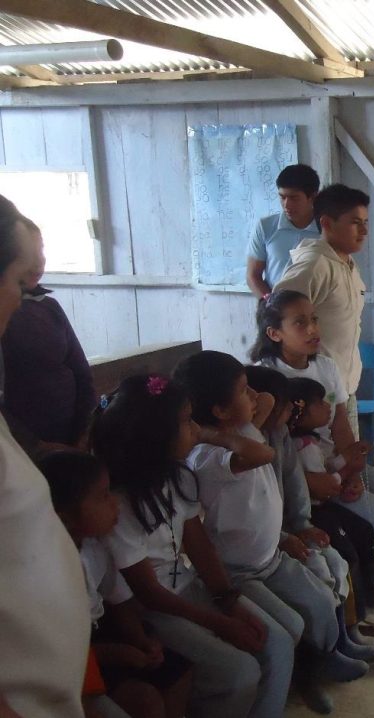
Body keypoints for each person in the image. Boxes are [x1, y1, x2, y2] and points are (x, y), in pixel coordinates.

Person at [91, 373, 294, 718]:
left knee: (276, 640)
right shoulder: (119, 506)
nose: (196, 429)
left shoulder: (178, 476)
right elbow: (149, 595)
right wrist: (222, 623)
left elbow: (197, 545)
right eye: (187, 422)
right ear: (157, 437)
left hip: (188, 590)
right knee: (239, 672)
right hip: (154, 611)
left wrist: (227, 600)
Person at [173, 351, 369, 703]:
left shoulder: (243, 431)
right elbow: (262, 453)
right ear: (219, 411)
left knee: (322, 600)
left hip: (271, 556)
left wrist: (242, 406)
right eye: (245, 391)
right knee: (284, 633)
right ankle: (278, 698)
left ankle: (322, 661)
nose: (256, 398)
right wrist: (207, 433)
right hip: (238, 570)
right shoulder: (209, 455)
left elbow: (263, 404)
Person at [0, 197, 90, 717]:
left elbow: (80, 372)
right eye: (16, 280)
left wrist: (76, 440)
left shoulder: (47, 308)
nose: (21, 295)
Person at [248, 292, 374, 636]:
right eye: (300, 322)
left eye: (314, 319)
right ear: (274, 333)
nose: (312, 328)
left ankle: (366, 606)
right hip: (302, 486)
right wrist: (332, 475)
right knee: (342, 549)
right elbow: (268, 446)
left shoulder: (325, 365)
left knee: (365, 533)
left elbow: (340, 424)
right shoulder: (263, 379)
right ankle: (348, 627)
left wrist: (352, 470)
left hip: (331, 473)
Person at [39, 450, 193, 718]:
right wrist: (117, 654)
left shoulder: (98, 545)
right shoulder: (47, 571)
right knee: (145, 702)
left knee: (178, 672)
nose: (116, 504)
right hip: (72, 657)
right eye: (103, 497)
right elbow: (56, 653)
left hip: (100, 634)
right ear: (65, 518)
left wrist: (140, 640)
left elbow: (119, 601)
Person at [287, 376, 374, 661]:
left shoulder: (324, 368)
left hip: (341, 480)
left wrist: (351, 462)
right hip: (327, 497)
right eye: (320, 403)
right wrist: (346, 469)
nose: (329, 406)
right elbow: (322, 484)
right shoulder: (300, 444)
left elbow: (334, 453)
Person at [275, 184, 368, 436]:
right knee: (321, 468)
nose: (364, 231)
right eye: (355, 223)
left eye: (365, 222)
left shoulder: (347, 263)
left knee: (348, 466)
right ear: (326, 223)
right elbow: (277, 315)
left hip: (343, 388)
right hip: (315, 396)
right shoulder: (314, 265)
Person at [1, 218, 95, 454]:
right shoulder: (6, 314)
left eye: (41, 250)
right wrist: (35, 446)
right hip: (21, 447)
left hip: (71, 435)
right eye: (29, 253)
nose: (38, 261)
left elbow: (80, 370)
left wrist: (86, 428)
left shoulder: (48, 306)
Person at [246, 164, 321, 297]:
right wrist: (270, 303)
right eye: (282, 197)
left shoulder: (327, 229)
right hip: (275, 309)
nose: (286, 204)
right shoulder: (266, 226)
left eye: (294, 198)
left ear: (313, 197)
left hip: (317, 310)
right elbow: (253, 276)